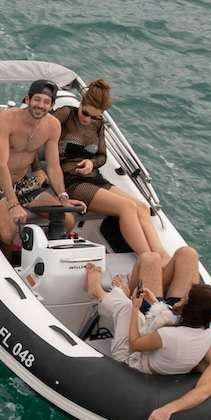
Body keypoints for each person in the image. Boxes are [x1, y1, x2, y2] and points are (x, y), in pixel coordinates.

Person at [59, 79, 165, 288]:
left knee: (142, 207)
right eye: (85, 113)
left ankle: (161, 255)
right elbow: (41, 133)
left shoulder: (97, 125)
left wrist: (91, 162)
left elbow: (102, 157)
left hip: (93, 177)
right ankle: (147, 260)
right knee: (126, 207)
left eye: (94, 116)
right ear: (80, 103)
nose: (88, 119)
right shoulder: (65, 114)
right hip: (70, 180)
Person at [0, 78, 85, 260]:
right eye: (37, 99)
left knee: (67, 219)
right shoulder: (7, 118)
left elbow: (53, 166)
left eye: (46, 102)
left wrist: (63, 197)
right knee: (8, 231)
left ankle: (42, 258)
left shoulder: (53, 126)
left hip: (24, 182)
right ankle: (5, 256)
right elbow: (1, 164)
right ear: (27, 100)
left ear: (51, 105)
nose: (40, 105)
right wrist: (13, 204)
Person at [84, 262, 211, 380]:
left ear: (190, 309)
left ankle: (96, 291)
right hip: (155, 363)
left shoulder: (169, 336)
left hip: (129, 363)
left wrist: (136, 307)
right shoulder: (206, 331)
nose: (181, 299)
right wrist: (154, 301)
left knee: (127, 308)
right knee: (134, 312)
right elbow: (172, 320)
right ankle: (115, 294)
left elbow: (134, 344)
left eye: (185, 299)